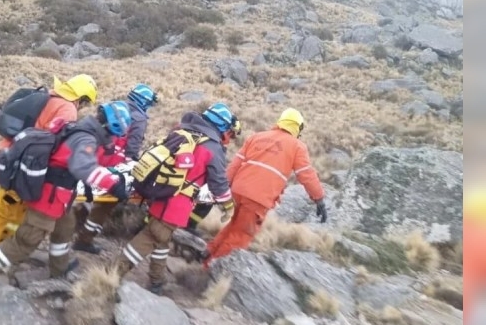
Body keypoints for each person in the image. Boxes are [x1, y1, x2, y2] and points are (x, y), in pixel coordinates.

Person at [0, 101, 132, 293]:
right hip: (48, 200)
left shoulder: (80, 128)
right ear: (111, 128)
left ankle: (59, 268)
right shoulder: (86, 139)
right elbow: (83, 167)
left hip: (60, 198)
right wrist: (113, 184)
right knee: (24, 243)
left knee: (65, 228)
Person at [0, 74, 98, 261]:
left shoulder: (49, 96)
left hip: (12, 157)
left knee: (13, 214)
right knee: (2, 215)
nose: (82, 107)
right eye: (84, 102)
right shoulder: (67, 109)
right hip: (23, 167)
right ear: (81, 97)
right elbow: (57, 146)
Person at [113, 102, 241, 295]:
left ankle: (157, 279)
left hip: (160, 192)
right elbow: (218, 184)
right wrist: (228, 206)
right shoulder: (212, 147)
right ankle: (112, 273)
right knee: (153, 235)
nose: (229, 137)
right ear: (222, 127)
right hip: (176, 203)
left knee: (162, 237)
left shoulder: (183, 131)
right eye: (230, 132)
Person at [202, 107, 327, 267]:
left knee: (233, 225)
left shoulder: (257, 137)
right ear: (297, 127)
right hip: (258, 198)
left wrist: (221, 189)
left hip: (236, 191)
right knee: (240, 235)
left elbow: (234, 165)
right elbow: (306, 174)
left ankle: (208, 251)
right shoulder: (297, 146)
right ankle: (213, 268)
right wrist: (319, 199)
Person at [73, 83, 158, 255]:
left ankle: (78, 227)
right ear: (145, 102)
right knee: (104, 205)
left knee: (82, 193)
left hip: (96, 157)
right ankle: (84, 237)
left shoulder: (116, 107)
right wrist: (130, 166)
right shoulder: (139, 119)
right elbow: (132, 147)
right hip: (113, 164)